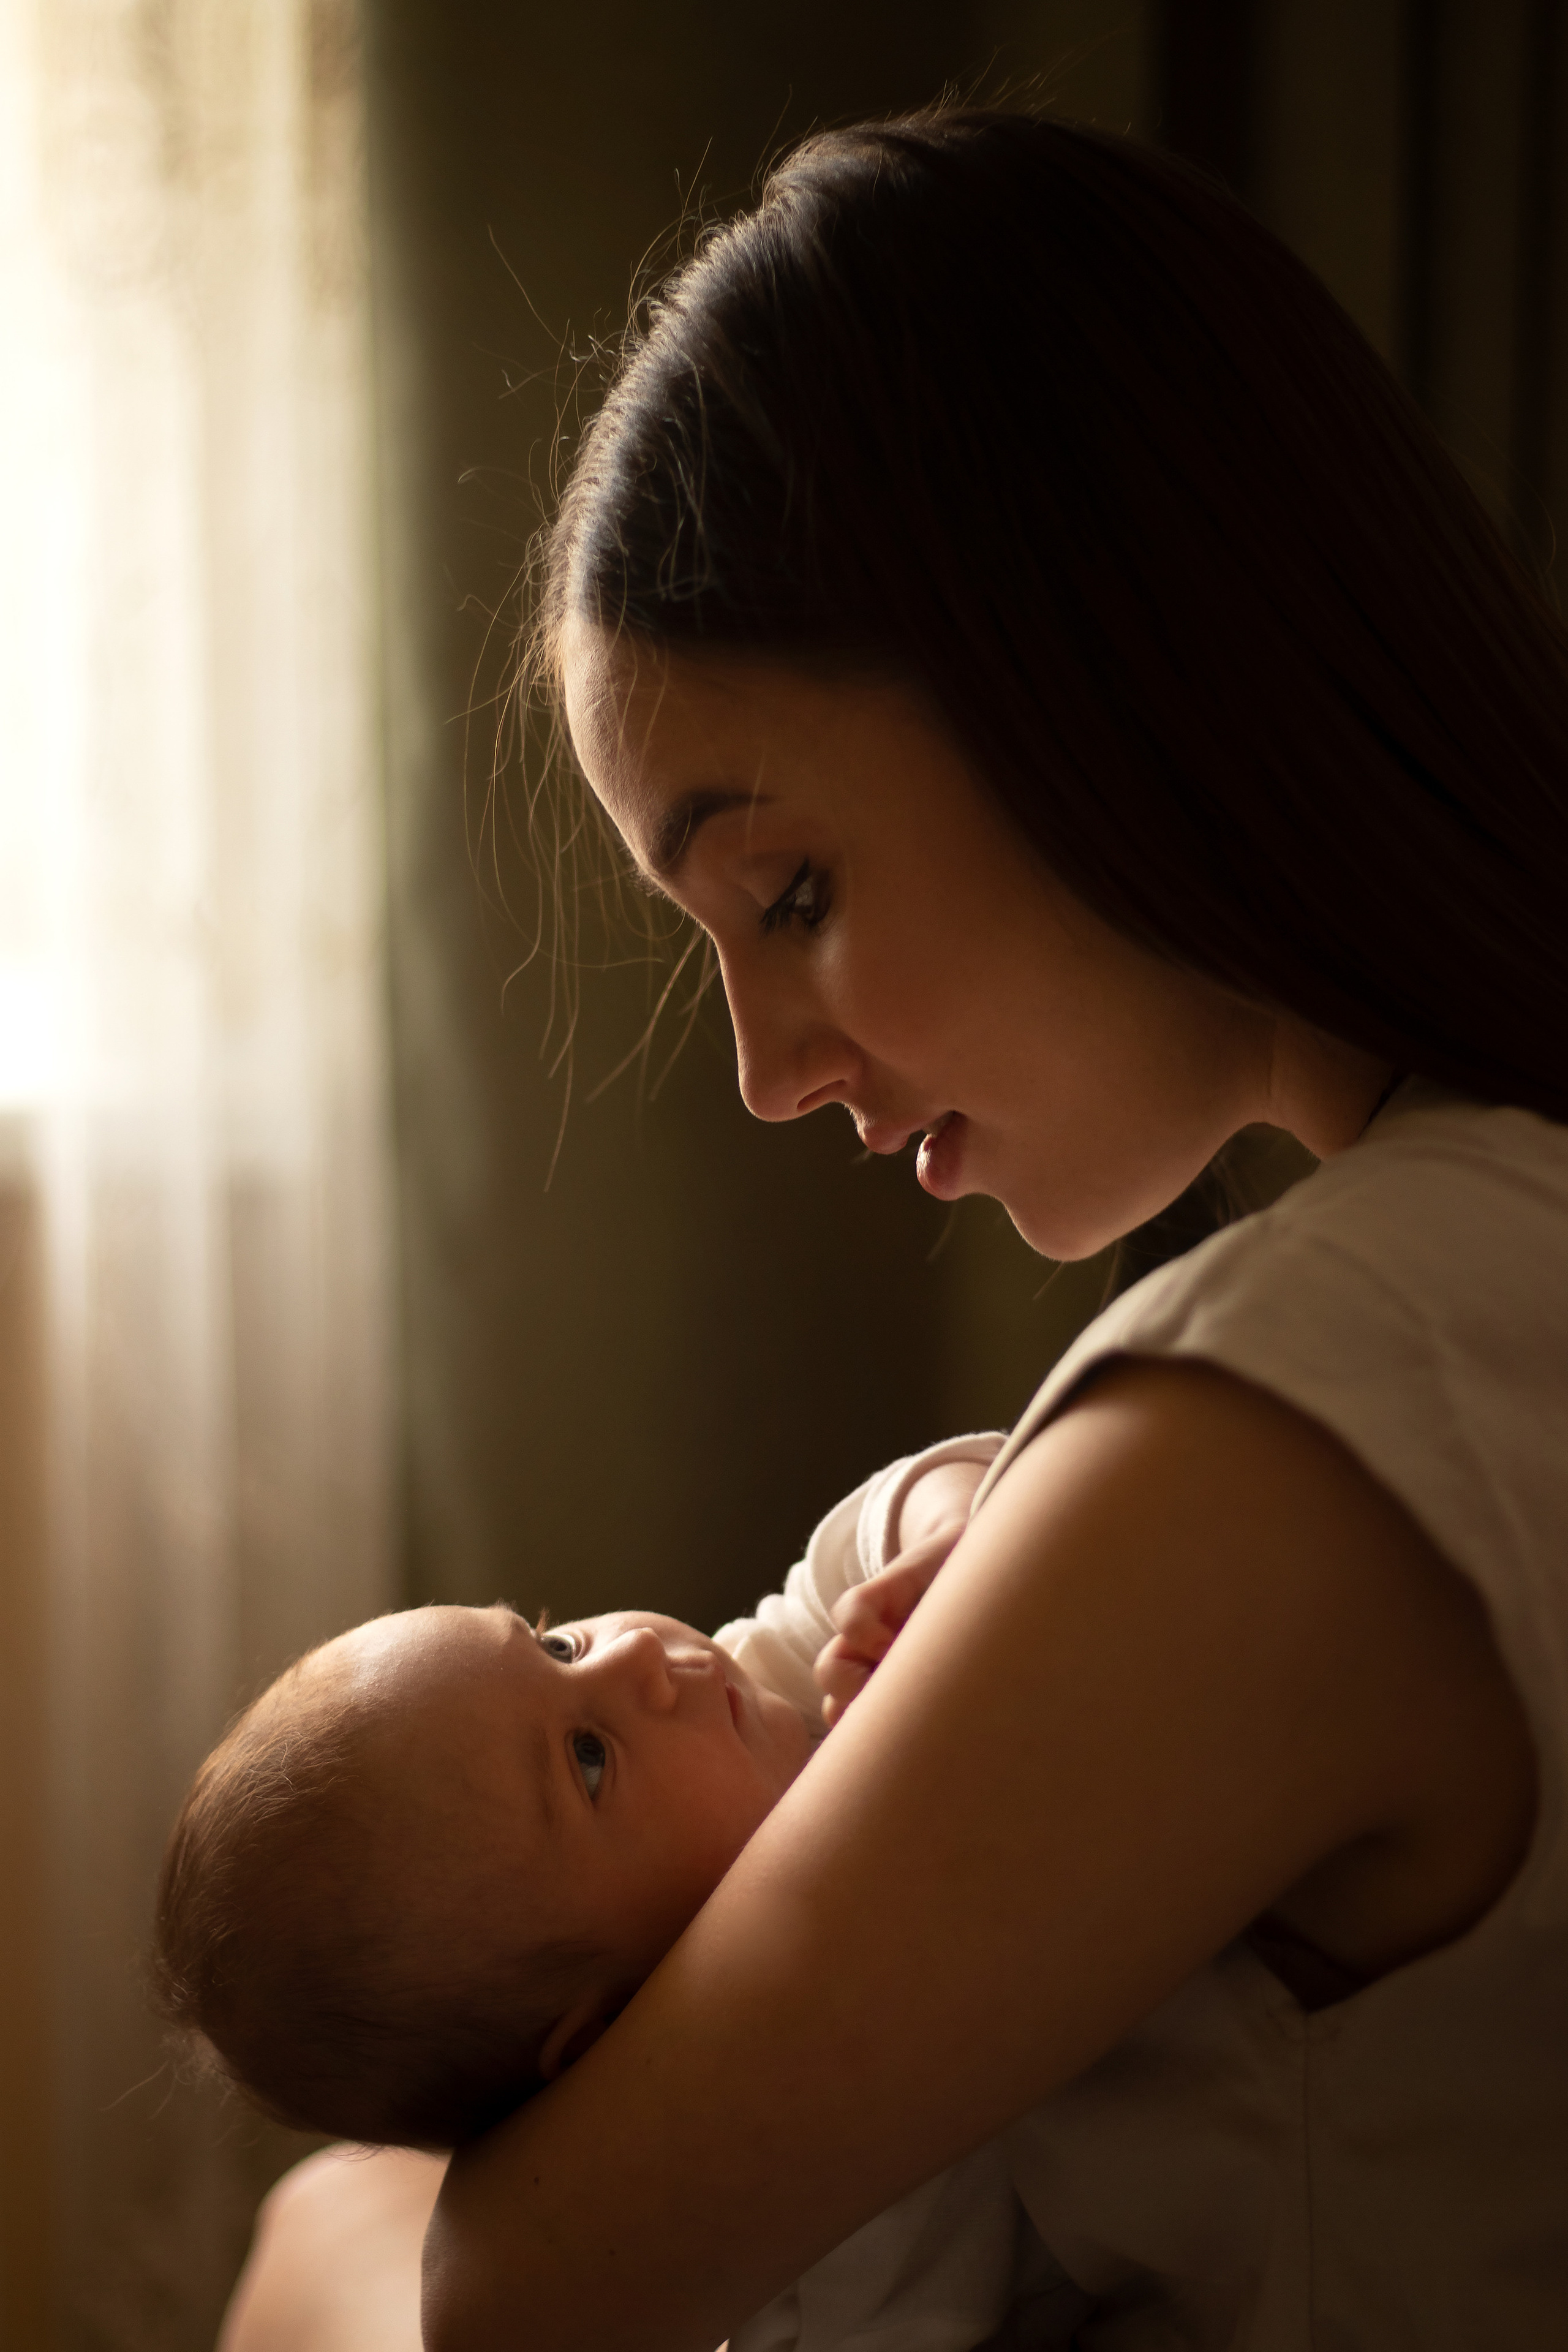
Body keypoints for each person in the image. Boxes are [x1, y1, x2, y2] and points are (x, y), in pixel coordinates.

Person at [225, 101, 1568, 2351]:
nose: (767, 1070)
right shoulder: (1471, 1261)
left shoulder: (1319, 1401)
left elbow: (530, 2298)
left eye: (797, 893)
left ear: (1115, 671)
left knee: (314, 2252)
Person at [168, 1441, 1085, 2349]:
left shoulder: (780, 1692)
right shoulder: (809, 2227)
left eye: (555, 1643)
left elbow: (875, 1533)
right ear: (607, 2035)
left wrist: (954, 1529)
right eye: (590, 1758)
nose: (638, 1652)